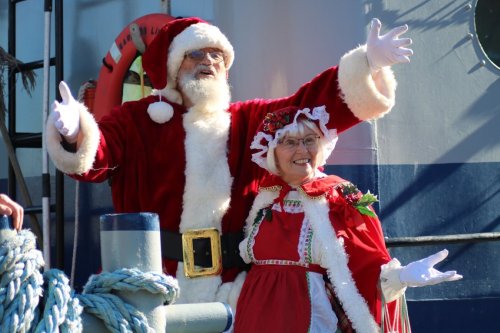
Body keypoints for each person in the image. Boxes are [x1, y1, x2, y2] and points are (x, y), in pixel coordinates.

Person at [45, 16, 413, 307]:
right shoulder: (136, 120)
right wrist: (77, 132)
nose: (208, 62)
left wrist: (367, 65)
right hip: (154, 282)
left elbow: (309, 106)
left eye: (216, 56)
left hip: (235, 289)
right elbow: (98, 157)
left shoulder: (250, 121)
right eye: (196, 54)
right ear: (174, 67)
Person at [234, 106, 462, 332]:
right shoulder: (266, 197)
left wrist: (401, 277)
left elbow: (368, 265)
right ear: (273, 151)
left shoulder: (338, 196)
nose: (303, 150)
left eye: (310, 140)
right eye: (290, 142)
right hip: (254, 318)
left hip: (309, 321)